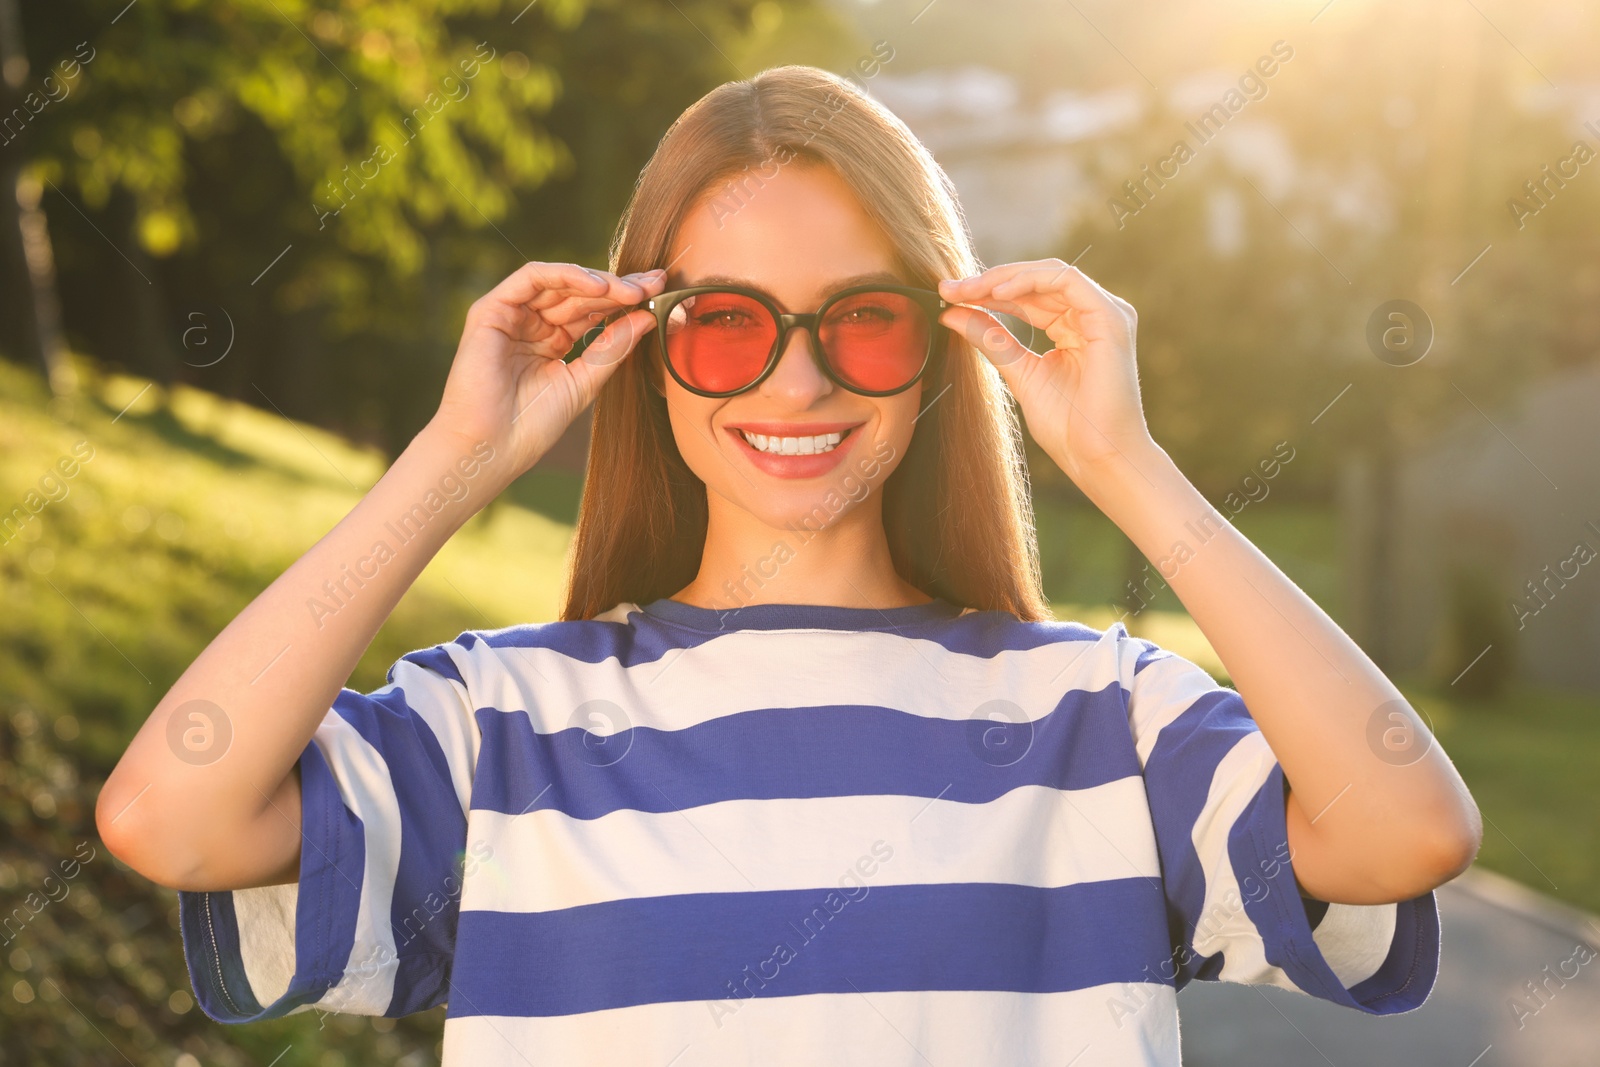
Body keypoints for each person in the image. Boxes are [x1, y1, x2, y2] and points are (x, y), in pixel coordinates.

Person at [96, 64, 1480, 1065]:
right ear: (641, 351)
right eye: (723, 324)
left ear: (943, 340)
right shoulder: (502, 727)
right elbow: (174, 818)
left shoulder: (1103, 717)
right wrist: (455, 459)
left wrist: (1125, 466)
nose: (800, 381)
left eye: (865, 321)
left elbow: (1404, 830)